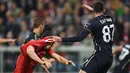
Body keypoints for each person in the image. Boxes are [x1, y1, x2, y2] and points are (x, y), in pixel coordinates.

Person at [53, 1, 114, 73]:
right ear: (103, 10)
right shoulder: (110, 19)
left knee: (82, 72)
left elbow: (79, 38)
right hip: (109, 57)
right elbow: (102, 17)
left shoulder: (92, 23)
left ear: (94, 10)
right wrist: (93, 10)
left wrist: (61, 39)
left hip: (100, 55)